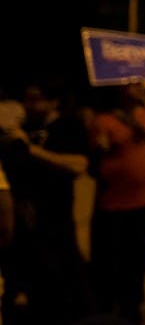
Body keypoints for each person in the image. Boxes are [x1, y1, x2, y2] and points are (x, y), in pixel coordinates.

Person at [0, 81, 94, 325]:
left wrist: (29, 148)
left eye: (36, 98)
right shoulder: (23, 126)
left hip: (57, 226)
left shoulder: (67, 126)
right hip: (27, 228)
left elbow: (78, 165)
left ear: (54, 101)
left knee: (65, 295)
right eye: (26, 99)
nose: (28, 104)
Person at [87, 83, 145, 324]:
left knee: (138, 260)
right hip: (112, 206)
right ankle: (108, 314)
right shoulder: (103, 121)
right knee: (109, 265)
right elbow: (92, 166)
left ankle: (133, 310)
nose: (138, 87)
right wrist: (98, 149)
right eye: (132, 84)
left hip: (142, 204)